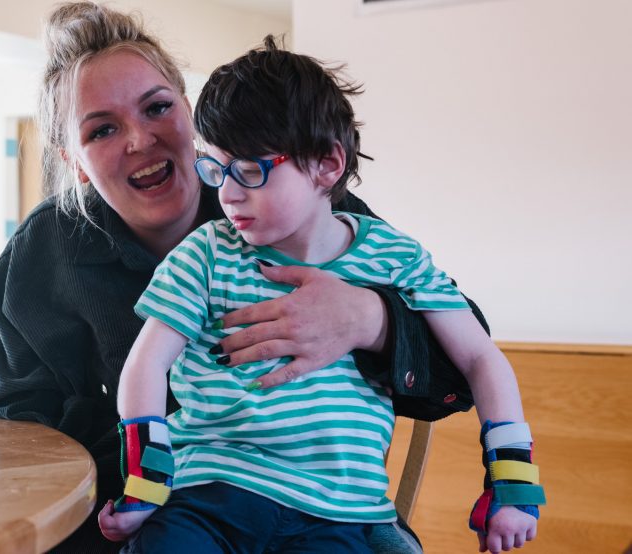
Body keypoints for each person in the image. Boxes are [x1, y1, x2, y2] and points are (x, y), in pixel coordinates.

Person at [0, 3, 484, 552]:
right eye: (101, 130)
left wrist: (372, 320)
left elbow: (462, 371)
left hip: (332, 516)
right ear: (74, 162)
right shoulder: (41, 254)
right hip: (128, 513)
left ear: (190, 113)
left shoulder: (303, 207)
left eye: (158, 108)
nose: (139, 140)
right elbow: (12, 432)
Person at [97, 38, 545, 554]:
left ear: (327, 166)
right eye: (217, 169)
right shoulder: (207, 252)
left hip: (338, 512)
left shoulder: (394, 257)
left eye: (249, 170)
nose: (228, 194)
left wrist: (512, 483)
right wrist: (145, 483)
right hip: (210, 494)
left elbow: (479, 357)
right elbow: (145, 365)